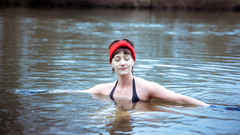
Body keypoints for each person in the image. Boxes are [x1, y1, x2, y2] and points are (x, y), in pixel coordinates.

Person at [80, 39, 209, 107]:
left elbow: (180, 99)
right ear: (111, 64)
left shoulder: (147, 87)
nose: (122, 63)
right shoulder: (104, 89)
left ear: (133, 61)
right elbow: (78, 93)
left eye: (127, 58)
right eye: (117, 59)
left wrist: (210, 107)